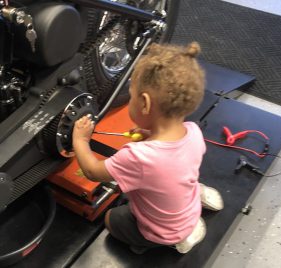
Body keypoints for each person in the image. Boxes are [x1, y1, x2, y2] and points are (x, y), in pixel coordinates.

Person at [72, 42, 224, 254]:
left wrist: (80, 140)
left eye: (132, 96)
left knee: (110, 218)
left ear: (145, 103)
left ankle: (170, 239)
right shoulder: (193, 132)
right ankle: (189, 217)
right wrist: (151, 136)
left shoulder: (138, 157)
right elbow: (170, 160)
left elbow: (92, 171)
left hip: (162, 231)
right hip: (186, 209)